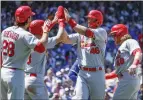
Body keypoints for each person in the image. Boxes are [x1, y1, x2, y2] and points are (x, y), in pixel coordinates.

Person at [1, 5, 51, 99]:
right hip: (15, 74)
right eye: (30, 17)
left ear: (16, 17)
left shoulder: (5, 31)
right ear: (28, 19)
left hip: (3, 72)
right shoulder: (25, 35)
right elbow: (41, 48)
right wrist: (45, 32)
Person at [61, 8, 107, 99]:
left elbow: (87, 32)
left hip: (97, 73)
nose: (88, 20)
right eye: (88, 18)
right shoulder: (80, 34)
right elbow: (65, 39)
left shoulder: (102, 31)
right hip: (83, 72)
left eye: (91, 18)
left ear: (98, 21)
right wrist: (61, 23)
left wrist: (70, 20)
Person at [24, 6, 67, 99]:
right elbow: (60, 36)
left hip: (23, 80)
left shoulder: (25, 40)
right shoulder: (43, 43)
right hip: (35, 81)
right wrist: (61, 21)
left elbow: (42, 31)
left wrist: (54, 21)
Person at [105, 24, 142, 99]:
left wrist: (134, 64)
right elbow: (118, 71)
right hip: (129, 79)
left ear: (120, 33)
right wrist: (104, 76)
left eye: (114, 35)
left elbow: (138, 52)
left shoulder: (129, 41)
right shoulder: (123, 47)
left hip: (128, 79)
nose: (113, 37)